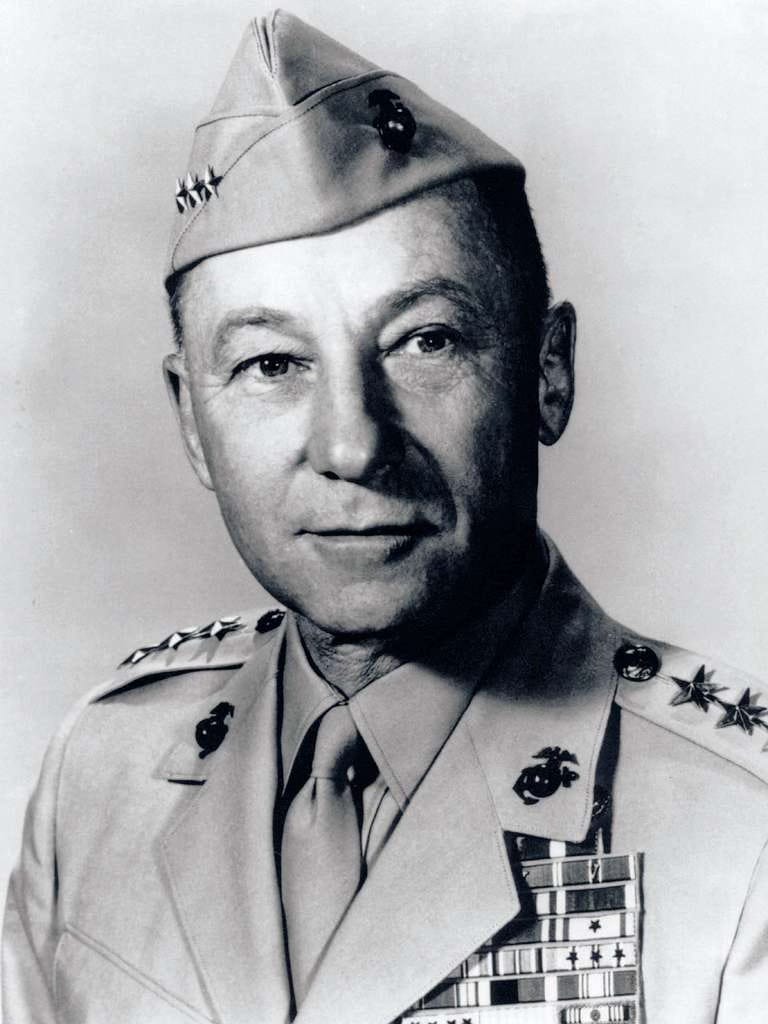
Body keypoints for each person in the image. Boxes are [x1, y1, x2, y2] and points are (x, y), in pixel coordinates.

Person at [3, 10, 767, 1024]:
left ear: (548, 371)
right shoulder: (101, 774)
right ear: (192, 420)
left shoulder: (742, 826)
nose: (354, 444)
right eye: (273, 364)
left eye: (425, 342)